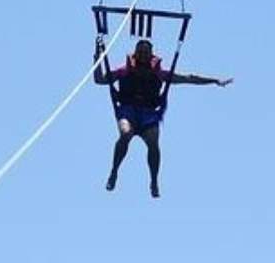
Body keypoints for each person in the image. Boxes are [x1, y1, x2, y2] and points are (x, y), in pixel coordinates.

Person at [94, 38, 232, 198]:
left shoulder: (159, 74)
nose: (143, 54)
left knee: (153, 141)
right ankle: (114, 172)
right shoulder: (124, 71)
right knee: (125, 134)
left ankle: (154, 180)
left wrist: (214, 81)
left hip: (148, 115)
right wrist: (97, 56)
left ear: (151, 54)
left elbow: (189, 78)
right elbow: (99, 79)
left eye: (146, 52)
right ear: (135, 53)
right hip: (128, 112)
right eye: (140, 51)